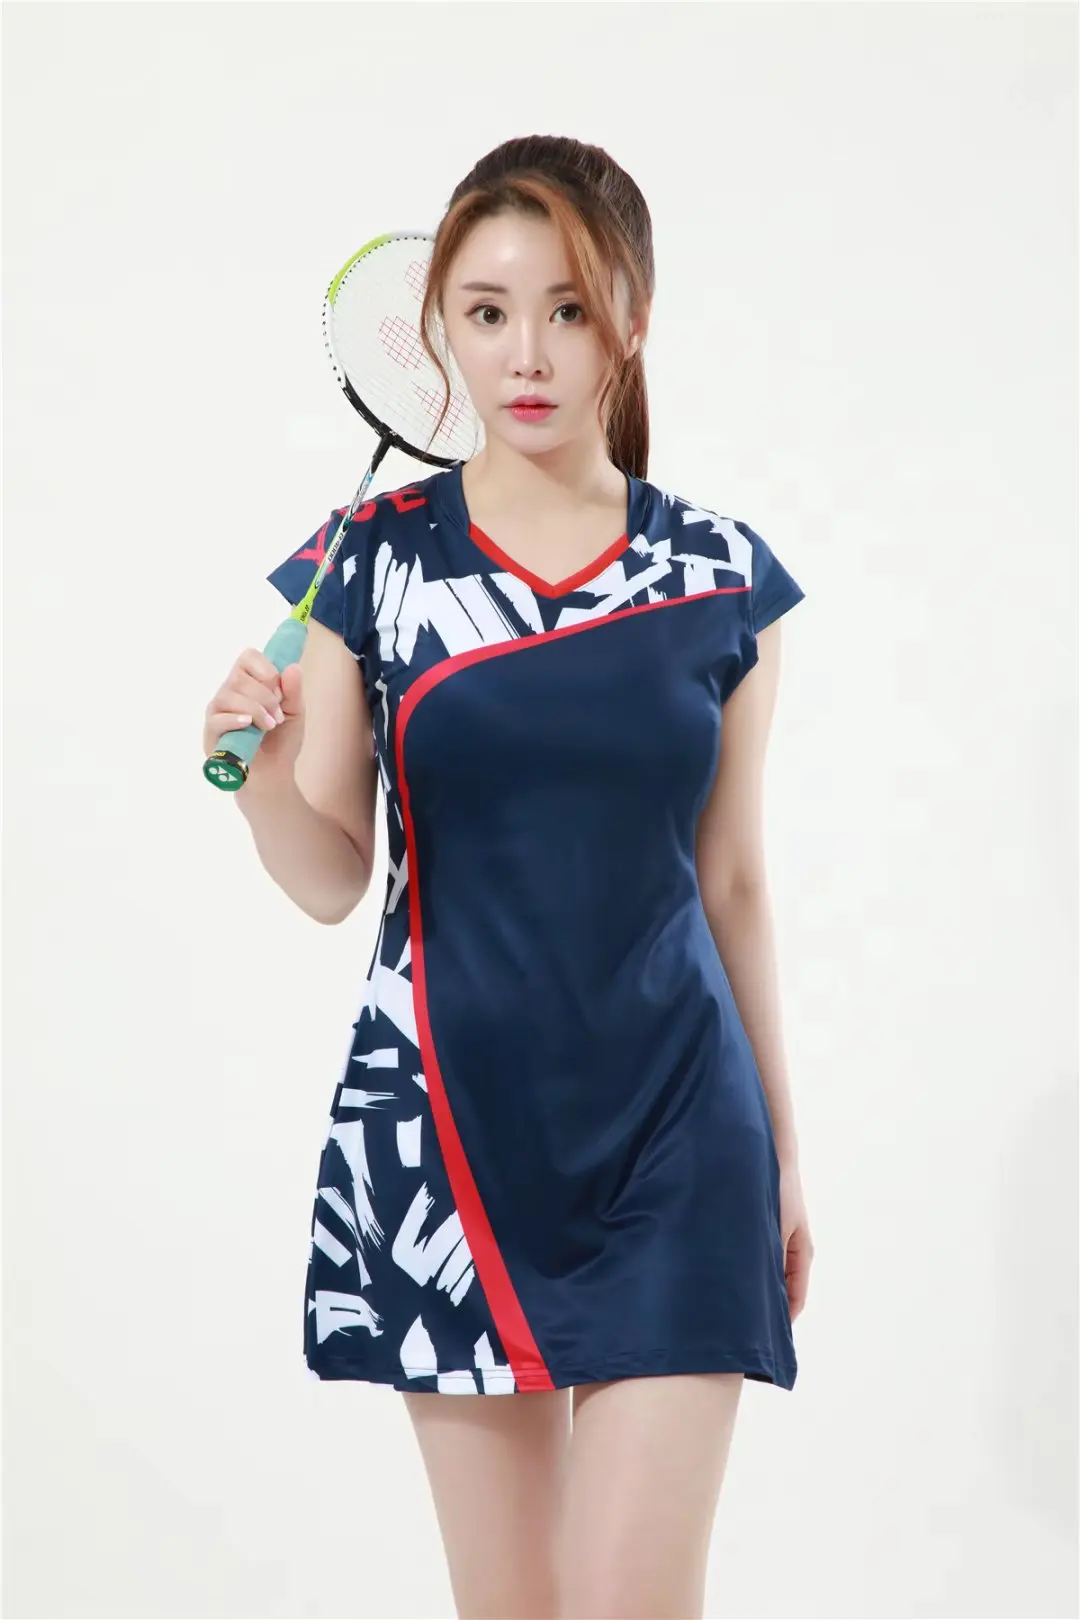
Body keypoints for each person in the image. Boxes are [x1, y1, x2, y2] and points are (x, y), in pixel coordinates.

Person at [202, 134, 815, 1620]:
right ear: (440, 331)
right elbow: (330, 877)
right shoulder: (366, 564)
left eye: (567, 309)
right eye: (486, 312)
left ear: (631, 322)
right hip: (446, 1138)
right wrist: (260, 774)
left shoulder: (721, 575)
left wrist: (785, 1157)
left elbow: (733, 883)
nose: (525, 353)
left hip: (680, 1138)